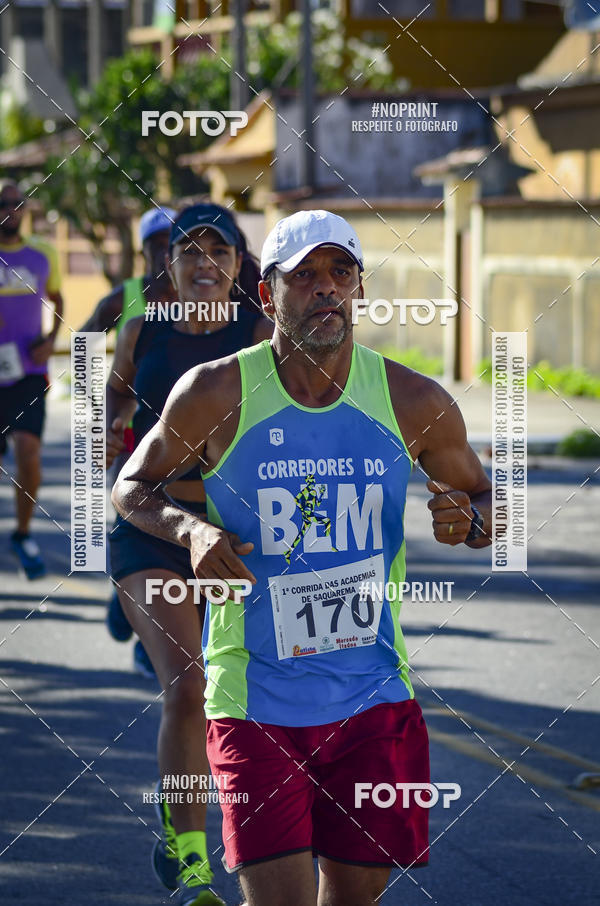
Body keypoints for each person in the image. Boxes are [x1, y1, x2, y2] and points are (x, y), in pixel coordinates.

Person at [111, 209, 491, 906]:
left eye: (340, 273)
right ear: (267, 294)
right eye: (305, 275)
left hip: (374, 697)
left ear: (359, 289)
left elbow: (490, 503)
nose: (326, 289)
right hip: (254, 699)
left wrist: (470, 520)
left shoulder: (414, 401)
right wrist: (191, 532)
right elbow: (131, 486)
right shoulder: (215, 393)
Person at [106, 202, 272, 906]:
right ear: (167, 267)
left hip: (236, 538)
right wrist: (113, 430)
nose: (206, 264)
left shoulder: (263, 333)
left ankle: (186, 825)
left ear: (240, 265)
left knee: (243, 697)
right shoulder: (141, 327)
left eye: (220, 252)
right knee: (188, 685)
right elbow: (114, 395)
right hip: (154, 528)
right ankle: (199, 866)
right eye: (190, 252)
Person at [80, 206, 179, 670]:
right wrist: (97, 421)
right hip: (134, 440)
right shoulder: (126, 299)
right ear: (142, 252)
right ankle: (128, 596)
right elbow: (83, 344)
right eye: (155, 245)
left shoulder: (203, 300)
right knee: (134, 523)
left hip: (188, 444)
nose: (164, 253)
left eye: (171, 244)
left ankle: (145, 620)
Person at [0, 179, 64, 579]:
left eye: (17, 203)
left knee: (29, 453)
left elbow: (58, 299)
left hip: (27, 372)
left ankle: (22, 533)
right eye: (3, 203)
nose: (11, 209)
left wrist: (51, 340)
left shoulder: (43, 254)